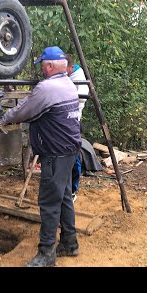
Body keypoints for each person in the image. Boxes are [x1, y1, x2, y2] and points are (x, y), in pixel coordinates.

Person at [0, 46, 81, 267]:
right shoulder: (68, 84)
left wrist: (1, 119)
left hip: (55, 154)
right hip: (70, 151)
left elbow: (22, 111)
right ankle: (69, 243)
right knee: (64, 197)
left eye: (43, 66)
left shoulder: (47, 88)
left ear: (50, 66)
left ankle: (46, 253)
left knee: (49, 203)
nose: (42, 71)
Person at [66, 54, 89, 202]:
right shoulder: (67, 76)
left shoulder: (79, 77)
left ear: (70, 67)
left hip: (73, 122)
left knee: (73, 156)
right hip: (62, 123)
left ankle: (73, 190)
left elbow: (81, 98)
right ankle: (66, 188)